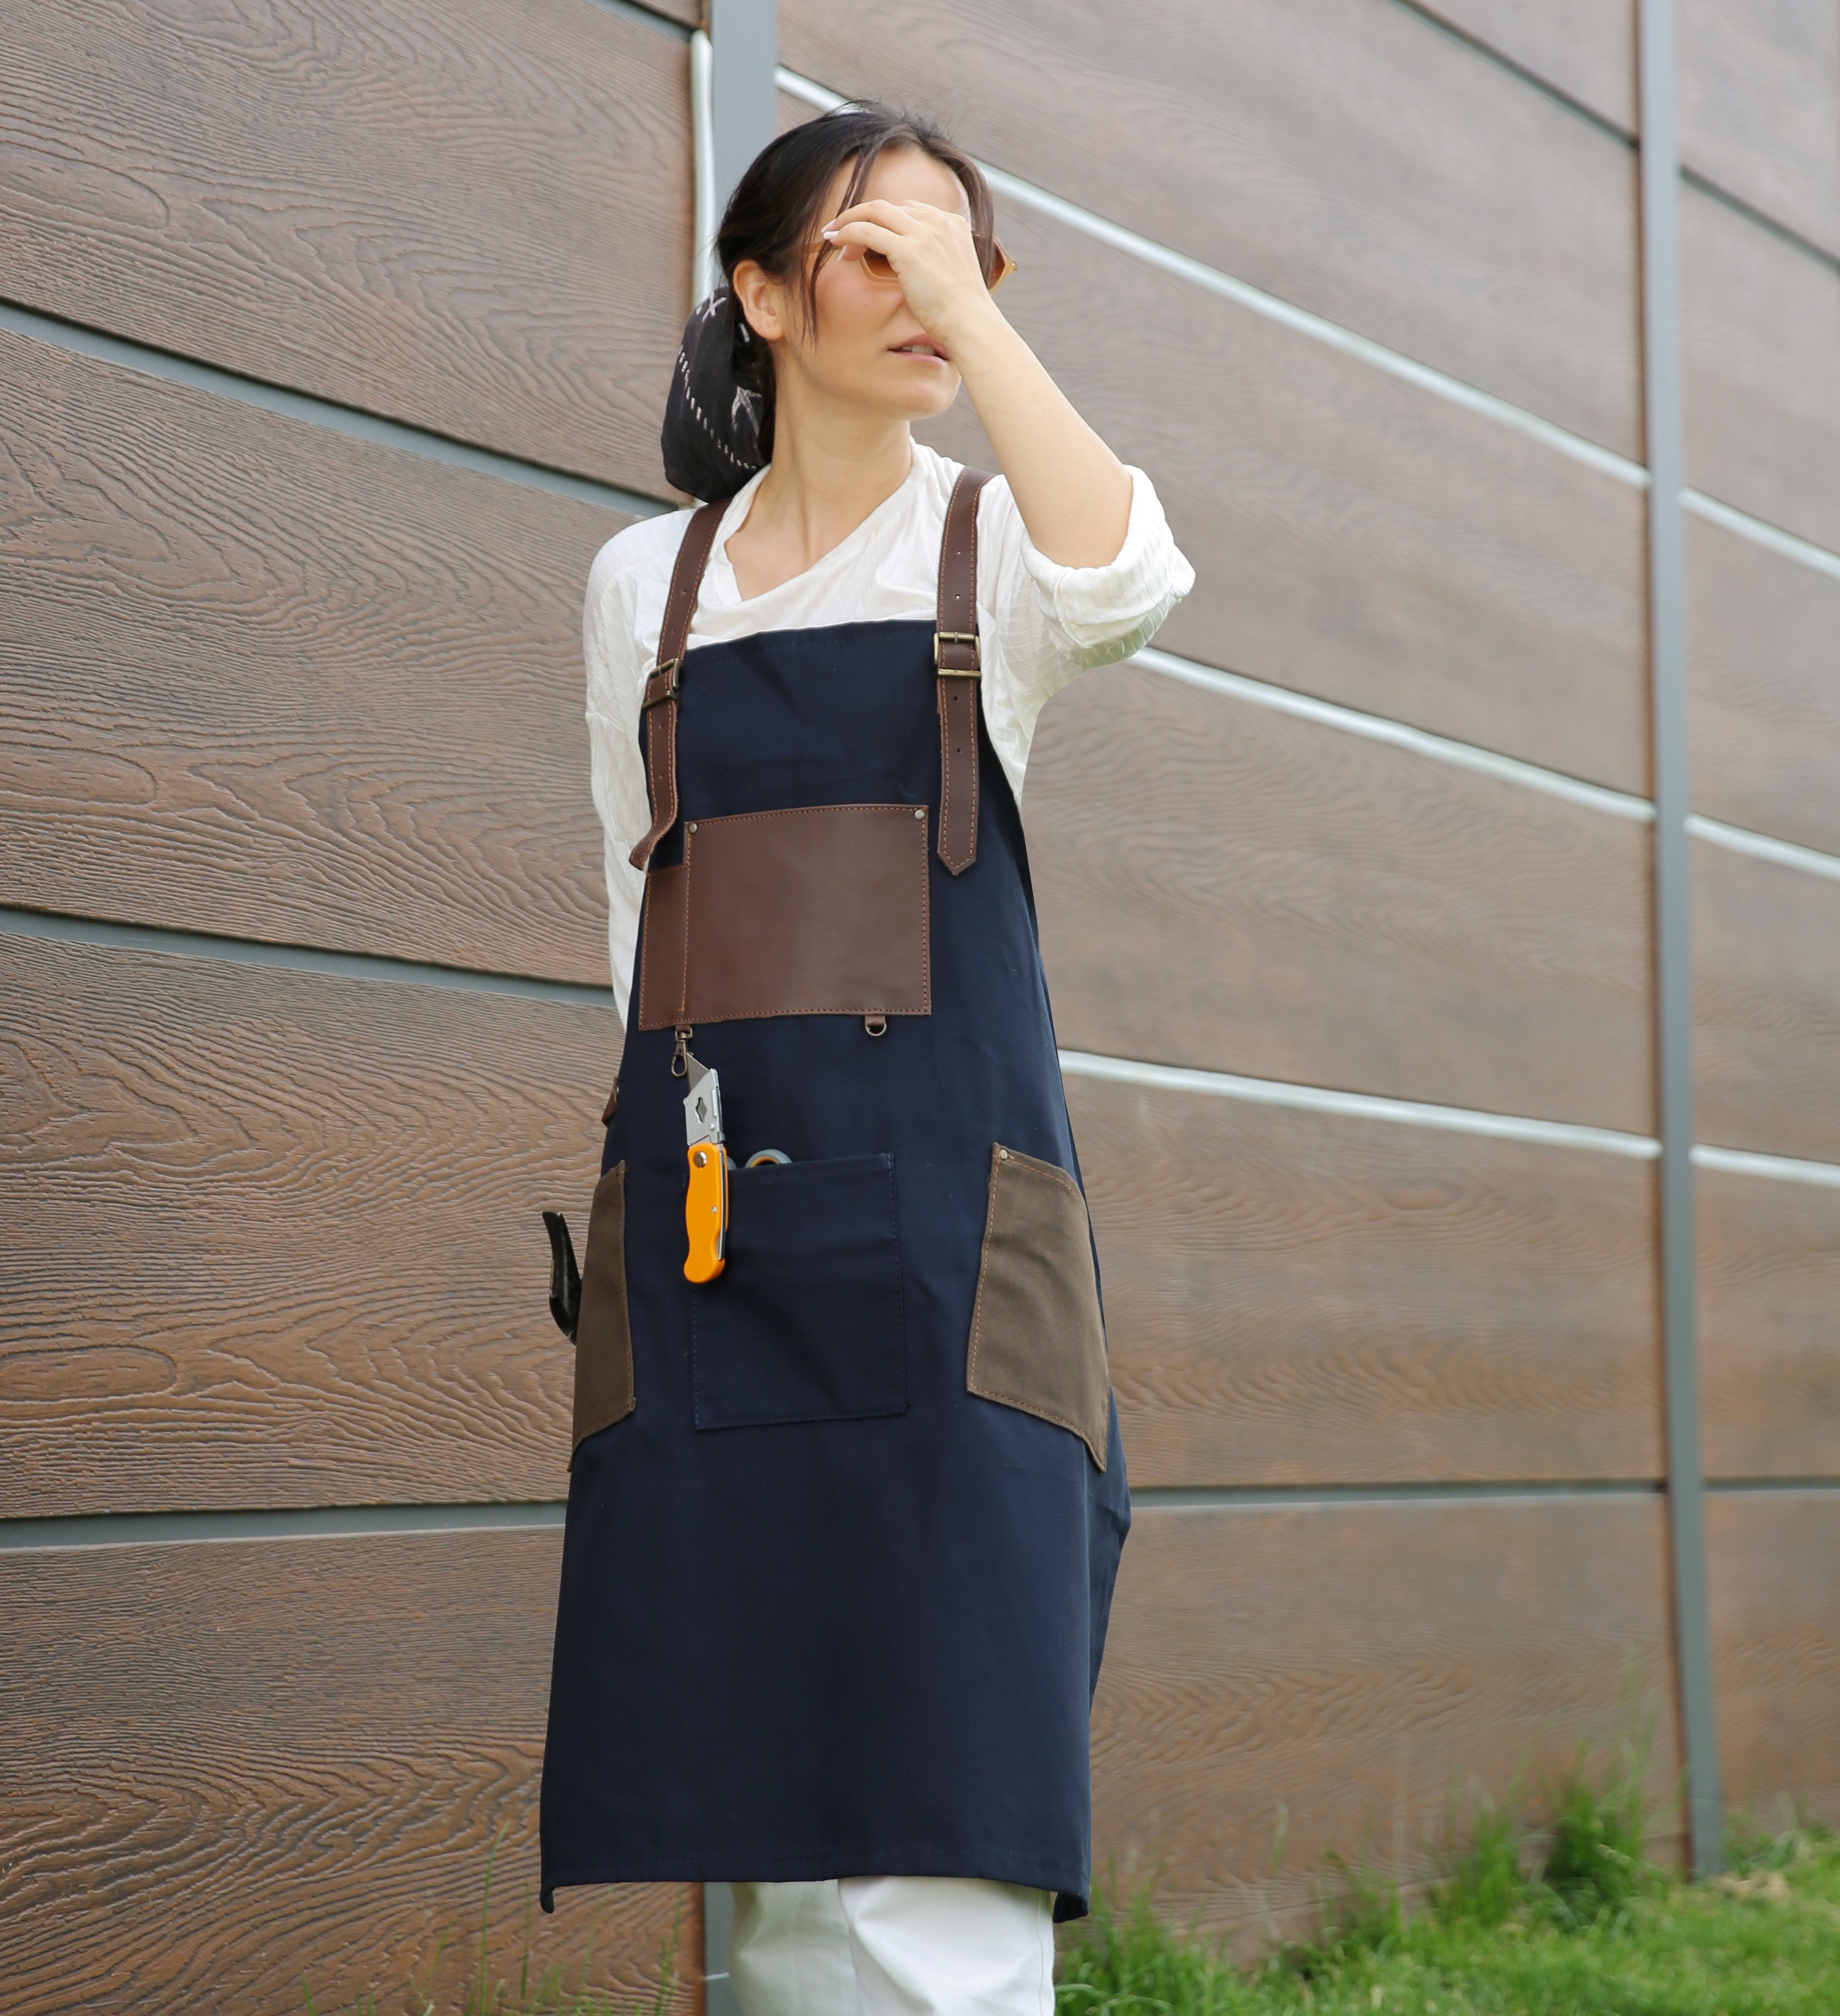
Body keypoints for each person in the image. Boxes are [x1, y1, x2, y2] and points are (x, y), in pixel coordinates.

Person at [539, 102, 1194, 2016]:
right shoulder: (638, 589)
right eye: (867, 246)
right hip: (722, 1256)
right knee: (761, 1826)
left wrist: (973, 329)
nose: (920, 284)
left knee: (944, 1803)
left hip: (956, 1258)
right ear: (758, 291)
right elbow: (631, 922)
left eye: (956, 254)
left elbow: (1136, 577)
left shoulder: (988, 548)